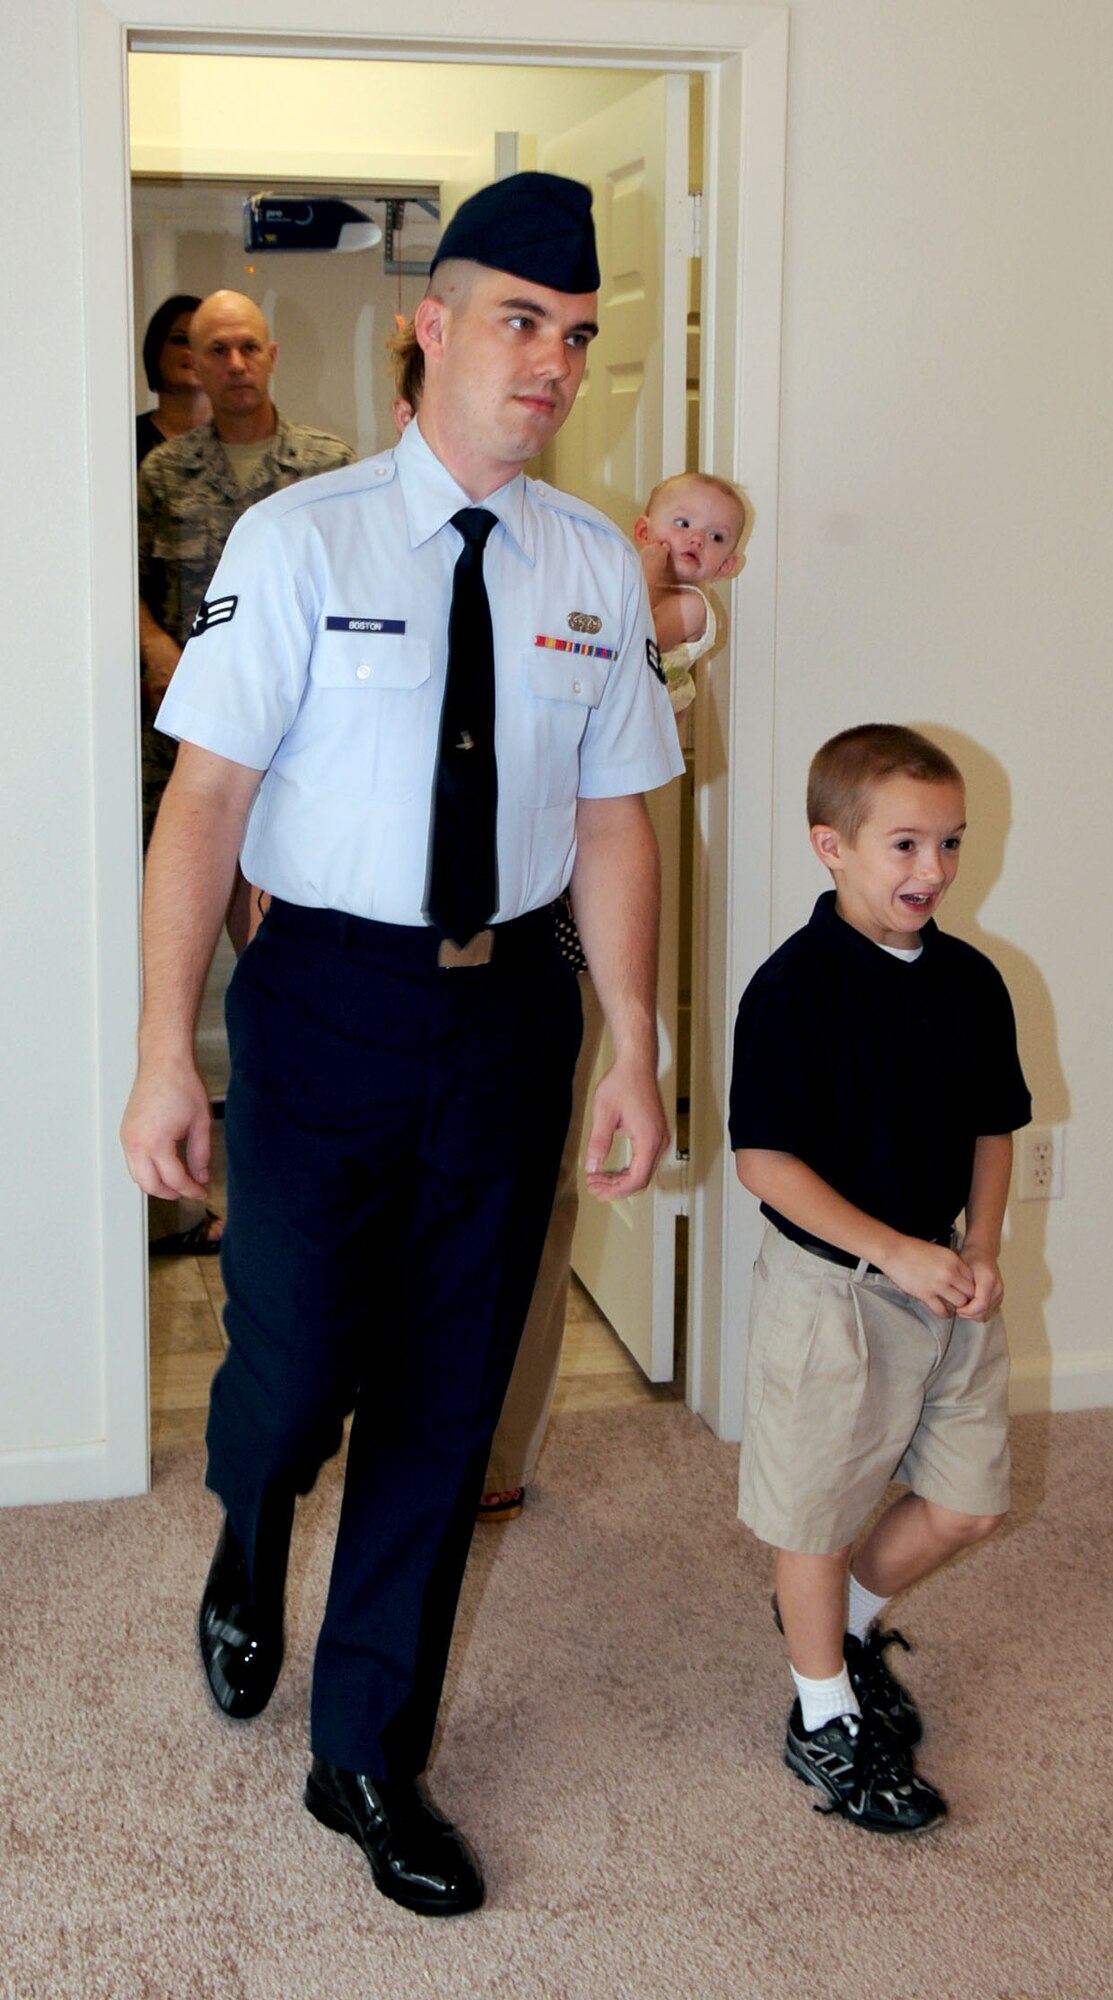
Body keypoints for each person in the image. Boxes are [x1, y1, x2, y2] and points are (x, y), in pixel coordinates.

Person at [120, 172, 684, 1916]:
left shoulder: (589, 566)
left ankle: (363, 1753)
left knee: (446, 1397)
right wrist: (165, 1051)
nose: (550, 366)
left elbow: (612, 822)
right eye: (519, 322)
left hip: (508, 1011)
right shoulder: (302, 541)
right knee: (291, 1366)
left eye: (576, 339)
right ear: (429, 330)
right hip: (324, 1007)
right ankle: (246, 1517)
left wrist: (632, 1041)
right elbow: (204, 800)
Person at [729, 724, 1030, 1833]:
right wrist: (890, 1249)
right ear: (832, 846)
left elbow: (996, 1125)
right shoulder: (793, 987)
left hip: (948, 1277)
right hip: (833, 1294)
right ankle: (821, 1711)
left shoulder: (973, 980)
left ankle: (843, 1625)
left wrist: (982, 1244)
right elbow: (763, 1157)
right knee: (812, 1510)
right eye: (904, 843)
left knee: (968, 1502)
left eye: (950, 842)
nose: (933, 869)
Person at [480, 469, 754, 1522]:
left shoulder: (662, 601)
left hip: (583, 901)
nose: (693, 542)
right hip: (481, 901)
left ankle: (497, 1446)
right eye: (679, 523)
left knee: (541, 1179)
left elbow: (628, 623)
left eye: (715, 535)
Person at [138, 291, 355, 1257]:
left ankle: (272, 1189)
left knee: (277, 977)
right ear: (190, 359)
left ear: (271, 354)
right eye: (210, 348)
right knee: (176, 977)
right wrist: (172, 665)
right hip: (185, 761)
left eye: (244, 346)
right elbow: (127, 595)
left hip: (299, 765)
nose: (229, 363)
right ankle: (177, 1176)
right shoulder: (159, 472)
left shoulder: (329, 469)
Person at [633, 471, 754, 717]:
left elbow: (635, 636)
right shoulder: (626, 581)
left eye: (716, 537)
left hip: (650, 734)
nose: (697, 539)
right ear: (644, 532)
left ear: (725, 566)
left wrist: (647, 572)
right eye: (683, 524)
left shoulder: (692, 605)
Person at [135, 294, 211, 463]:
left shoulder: (237, 441)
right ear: (155, 351)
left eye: (201, 342)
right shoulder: (127, 440)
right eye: (179, 340)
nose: (190, 351)